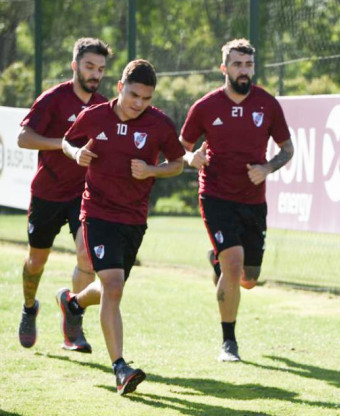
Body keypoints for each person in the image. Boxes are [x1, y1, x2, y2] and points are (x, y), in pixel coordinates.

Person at [59, 59, 185, 395]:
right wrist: (76, 155)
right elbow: (67, 140)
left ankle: (72, 304)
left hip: (134, 218)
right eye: (133, 95)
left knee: (110, 286)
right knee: (113, 285)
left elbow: (177, 164)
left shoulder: (159, 124)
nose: (138, 103)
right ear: (119, 87)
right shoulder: (96, 114)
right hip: (98, 212)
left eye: (146, 98)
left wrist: (151, 170)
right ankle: (120, 368)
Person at [180, 38, 294, 362]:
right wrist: (192, 159)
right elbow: (181, 146)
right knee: (232, 264)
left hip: (253, 200)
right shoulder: (205, 106)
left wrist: (267, 168)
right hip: (215, 195)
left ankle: (216, 260)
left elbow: (288, 149)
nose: (244, 71)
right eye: (237, 65)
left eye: (248, 65)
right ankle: (228, 342)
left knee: (248, 279)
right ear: (224, 69)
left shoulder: (268, 104)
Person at [16, 37, 112, 352]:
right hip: (47, 193)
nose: (95, 74)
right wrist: (65, 145)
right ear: (75, 66)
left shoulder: (103, 106)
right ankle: (30, 307)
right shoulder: (53, 99)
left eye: (100, 68)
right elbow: (23, 138)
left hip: (85, 194)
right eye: (89, 66)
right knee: (35, 261)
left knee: (86, 257)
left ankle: (73, 325)